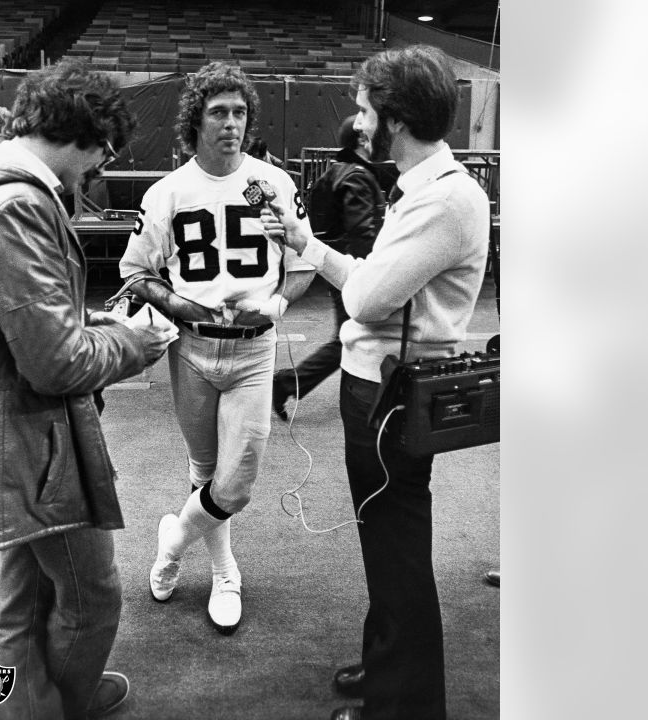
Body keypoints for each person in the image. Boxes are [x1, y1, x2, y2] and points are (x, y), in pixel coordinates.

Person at [260, 45, 490, 720]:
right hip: (378, 388)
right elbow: (367, 280)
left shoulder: (444, 201)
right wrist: (307, 244)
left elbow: (363, 299)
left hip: (390, 397)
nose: (357, 122)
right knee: (384, 543)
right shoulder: (421, 189)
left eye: (364, 109)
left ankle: (404, 704)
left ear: (396, 117)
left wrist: (322, 257)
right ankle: (387, 661)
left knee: (396, 552)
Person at [0, 60, 171, 720]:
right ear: (92, 138)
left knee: (19, 599)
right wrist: (137, 342)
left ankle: (21, 704)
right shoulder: (19, 203)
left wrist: (83, 322)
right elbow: (54, 365)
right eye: (102, 157)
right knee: (90, 594)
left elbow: (15, 324)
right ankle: (59, 704)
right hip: (26, 438)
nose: (94, 174)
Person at [119, 61, 315, 635]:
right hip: (194, 348)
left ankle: (173, 541)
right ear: (195, 121)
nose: (231, 123)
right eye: (218, 112)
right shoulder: (168, 192)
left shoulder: (274, 183)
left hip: (256, 350)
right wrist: (182, 306)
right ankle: (226, 572)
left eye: (240, 112)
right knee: (206, 470)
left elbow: (301, 262)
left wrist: (276, 304)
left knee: (238, 479)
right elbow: (137, 272)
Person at [271, 115, 385, 420]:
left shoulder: (333, 172)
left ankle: (286, 384)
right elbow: (362, 232)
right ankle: (284, 384)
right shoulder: (358, 176)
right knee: (348, 339)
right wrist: (374, 268)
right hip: (350, 270)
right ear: (361, 140)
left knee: (347, 338)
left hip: (334, 265)